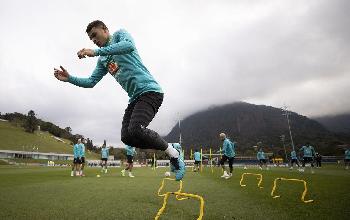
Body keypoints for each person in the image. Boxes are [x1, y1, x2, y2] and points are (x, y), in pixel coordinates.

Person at [53, 20, 184, 181]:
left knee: (136, 129)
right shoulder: (103, 60)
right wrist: (70, 78)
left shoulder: (120, 35)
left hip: (151, 91)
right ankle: (171, 147)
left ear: (105, 29)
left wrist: (95, 51)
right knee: (127, 137)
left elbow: (128, 46)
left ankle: (174, 154)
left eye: (95, 35)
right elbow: (91, 82)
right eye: (91, 39)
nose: (93, 40)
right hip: (134, 98)